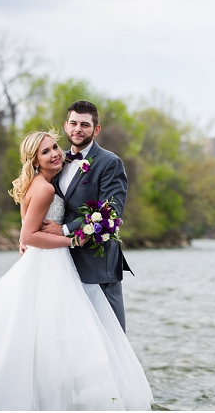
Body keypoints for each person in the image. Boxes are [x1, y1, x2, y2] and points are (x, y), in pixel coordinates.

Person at [0, 131, 152, 410]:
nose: (55, 153)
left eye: (55, 147)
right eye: (46, 152)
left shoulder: (41, 181)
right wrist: (72, 240)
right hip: (49, 265)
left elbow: (27, 235)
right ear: (34, 161)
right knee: (53, 335)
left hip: (46, 262)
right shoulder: (44, 188)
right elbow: (29, 236)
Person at [39, 100, 132, 331]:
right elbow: (34, 197)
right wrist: (26, 237)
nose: (77, 129)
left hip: (98, 264)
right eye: (73, 123)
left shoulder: (110, 163)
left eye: (84, 124)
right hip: (61, 262)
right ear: (66, 126)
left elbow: (110, 212)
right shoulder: (56, 160)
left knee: (110, 336)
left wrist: (64, 229)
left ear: (96, 129)